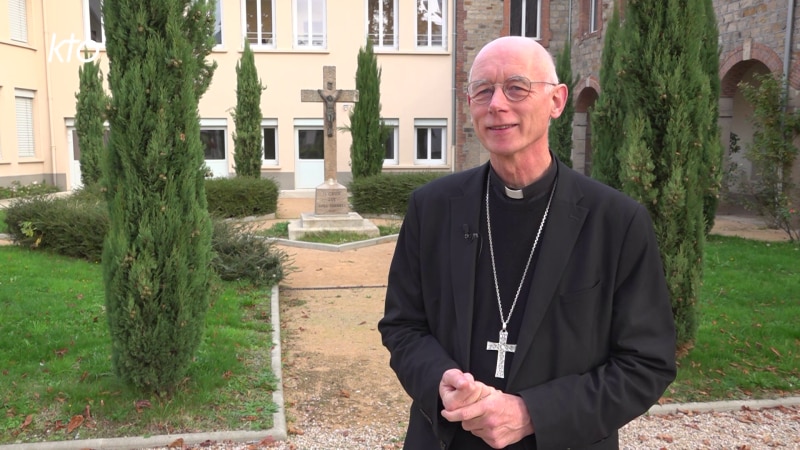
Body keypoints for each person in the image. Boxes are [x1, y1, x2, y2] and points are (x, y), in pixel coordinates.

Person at [378, 36, 677, 449]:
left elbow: (647, 363)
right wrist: (438, 380)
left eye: (516, 88)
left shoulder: (617, 222)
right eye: (483, 90)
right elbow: (403, 325)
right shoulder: (432, 208)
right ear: (470, 105)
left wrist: (532, 413)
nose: (497, 104)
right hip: (447, 438)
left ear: (556, 101)